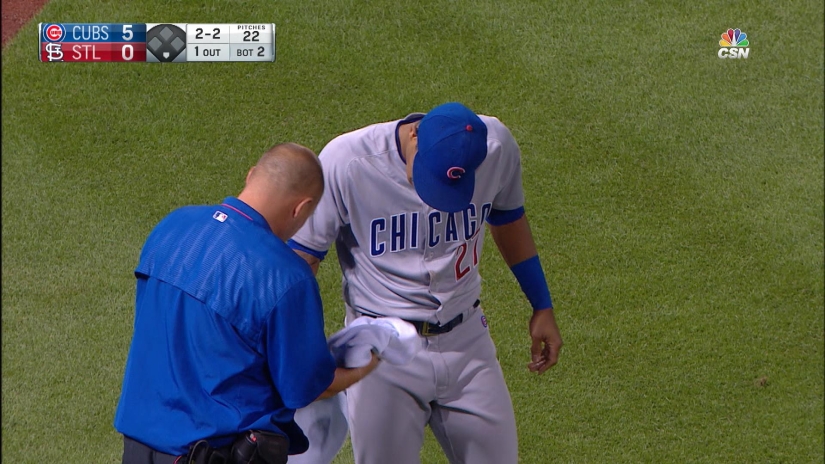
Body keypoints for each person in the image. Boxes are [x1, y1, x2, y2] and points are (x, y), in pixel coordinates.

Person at [288, 102, 563, 464]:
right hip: (380, 352)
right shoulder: (348, 162)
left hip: (467, 342)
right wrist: (298, 350)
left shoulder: (496, 147)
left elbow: (508, 218)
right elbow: (301, 261)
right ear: (415, 133)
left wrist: (541, 304)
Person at [114, 143, 379, 464]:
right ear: (301, 208)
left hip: (138, 449)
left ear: (251, 175)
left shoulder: (171, 226)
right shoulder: (285, 275)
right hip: (210, 453)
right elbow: (307, 388)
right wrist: (365, 366)